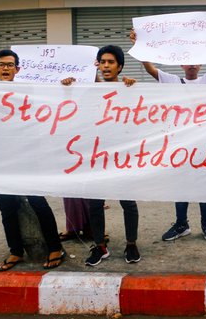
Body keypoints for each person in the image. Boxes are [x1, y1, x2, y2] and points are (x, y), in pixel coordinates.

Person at [129, 20, 206, 243]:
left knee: (204, 184)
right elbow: (149, 68)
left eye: (196, 62)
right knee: (181, 185)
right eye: (188, 62)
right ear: (181, 65)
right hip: (180, 145)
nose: (192, 65)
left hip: (204, 144)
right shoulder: (172, 81)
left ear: (200, 65)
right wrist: (139, 46)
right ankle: (181, 224)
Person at [64, 45, 140, 266]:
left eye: (111, 62)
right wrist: (68, 86)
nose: (106, 66)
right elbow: (73, 108)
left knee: (128, 203)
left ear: (120, 66)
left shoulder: (129, 89)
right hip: (96, 156)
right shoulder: (86, 89)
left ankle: (131, 244)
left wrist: (134, 87)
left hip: (122, 157)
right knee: (94, 204)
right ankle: (100, 246)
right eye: (102, 62)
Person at [0, 49, 65, 271]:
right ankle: (16, 251)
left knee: (38, 202)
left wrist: (67, 85)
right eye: (2, 65)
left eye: (10, 65)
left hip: (26, 157)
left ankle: (55, 247)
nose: (6, 68)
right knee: (7, 208)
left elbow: (49, 106)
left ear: (18, 69)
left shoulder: (27, 92)